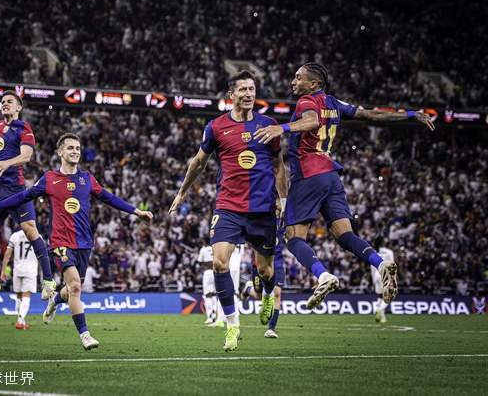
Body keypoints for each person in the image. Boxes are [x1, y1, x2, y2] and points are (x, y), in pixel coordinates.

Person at [254, 62, 434, 309]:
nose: (293, 82)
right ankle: (380, 263)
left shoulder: (307, 102)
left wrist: (281, 128)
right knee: (345, 235)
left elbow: (311, 121)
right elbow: (371, 115)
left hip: (309, 174)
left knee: (293, 238)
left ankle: (323, 276)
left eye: (298, 77)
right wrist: (411, 115)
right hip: (331, 176)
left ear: (313, 84)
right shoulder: (334, 103)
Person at [0, 133, 153, 350]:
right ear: (60, 152)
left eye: (77, 148)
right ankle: (85, 335)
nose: (75, 151)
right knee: (76, 286)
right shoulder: (50, 179)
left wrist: (136, 211)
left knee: (70, 290)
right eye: (70, 148)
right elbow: (22, 196)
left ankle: (55, 301)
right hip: (60, 243)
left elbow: (109, 198)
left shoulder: (87, 179)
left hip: (84, 243)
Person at [169, 70, 288, 352]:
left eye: (252, 89)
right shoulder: (216, 127)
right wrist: (182, 192)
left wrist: (283, 199)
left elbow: (279, 165)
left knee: (266, 270)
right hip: (228, 207)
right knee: (220, 263)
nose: (249, 94)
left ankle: (267, 294)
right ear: (230, 95)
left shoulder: (268, 125)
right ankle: (232, 325)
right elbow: (198, 162)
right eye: (243, 89)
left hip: (262, 209)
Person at [0, 91, 55, 302]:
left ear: (19, 107)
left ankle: (48, 281)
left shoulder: (23, 128)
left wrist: (6, 163)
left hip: (15, 188)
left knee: (30, 229)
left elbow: (26, 156)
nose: (5, 104)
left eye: (10, 102)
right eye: (3, 102)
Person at [241, 225, 286, 338]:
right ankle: (248, 289)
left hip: (277, 262)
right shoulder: (261, 218)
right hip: (259, 262)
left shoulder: (283, 221)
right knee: (259, 295)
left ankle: (271, 329)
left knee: (276, 293)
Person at [1, 229, 39, 329]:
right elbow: (42, 255)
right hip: (30, 270)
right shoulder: (37, 235)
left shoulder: (15, 236)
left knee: (18, 296)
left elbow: (8, 253)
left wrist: (3, 270)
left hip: (17, 269)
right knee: (26, 295)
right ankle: (20, 321)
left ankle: (21, 321)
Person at [370, 237, 395, 323]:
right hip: (386, 274)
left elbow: (372, 267)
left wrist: (373, 280)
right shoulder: (389, 252)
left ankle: (383, 318)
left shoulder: (373, 252)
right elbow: (392, 265)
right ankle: (379, 310)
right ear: (383, 242)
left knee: (381, 296)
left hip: (376, 275)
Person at [197, 239, 216, 325]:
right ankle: (215, 316)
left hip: (208, 272)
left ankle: (209, 317)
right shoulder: (215, 247)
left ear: (204, 242)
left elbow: (199, 261)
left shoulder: (203, 249)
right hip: (216, 272)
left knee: (208, 295)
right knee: (214, 295)